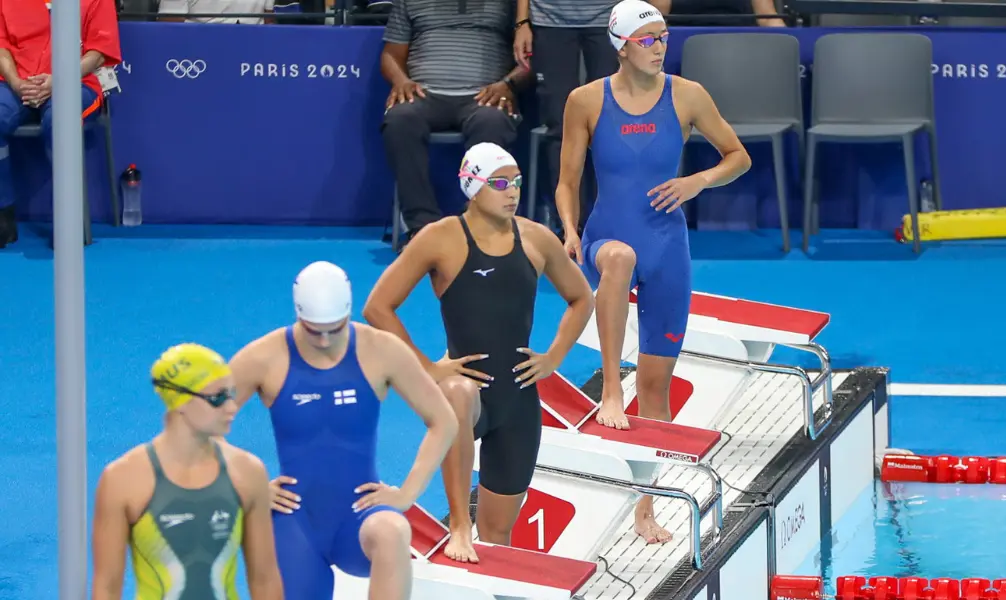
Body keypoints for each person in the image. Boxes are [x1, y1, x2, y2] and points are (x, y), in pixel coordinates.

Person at [555, 0, 751, 544]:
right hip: (606, 237)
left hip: (668, 246)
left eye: (663, 36)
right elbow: (568, 180)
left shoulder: (687, 96)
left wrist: (697, 183)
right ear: (621, 45)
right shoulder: (585, 100)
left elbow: (738, 156)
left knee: (658, 387)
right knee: (617, 259)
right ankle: (611, 390)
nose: (659, 46)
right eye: (647, 39)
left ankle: (646, 507)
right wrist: (570, 231)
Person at [362, 142, 595, 563]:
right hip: (464, 399)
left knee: (499, 535)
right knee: (459, 393)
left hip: (518, 402)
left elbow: (582, 297)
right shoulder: (441, 238)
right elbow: (378, 306)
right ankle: (456, 524)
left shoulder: (536, 239)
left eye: (517, 182)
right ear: (472, 185)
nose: (513, 192)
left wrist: (555, 356)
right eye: (501, 183)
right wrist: (428, 368)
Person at [229, 261, 458, 600]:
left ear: (349, 314)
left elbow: (444, 420)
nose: (323, 340)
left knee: (393, 531)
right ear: (298, 316)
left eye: (334, 330)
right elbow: (198, 427)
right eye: (313, 330)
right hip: (295, 521)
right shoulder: (264, 357)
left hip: (360, 517)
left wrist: (407, 493)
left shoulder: (382, 350)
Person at [90, 343, 284, 600]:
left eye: (231, 394)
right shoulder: (124, 479)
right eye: (217, 398)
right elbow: (107, 586)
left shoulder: (248, 472)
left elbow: (265, 578)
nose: (231, 407)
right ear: (180, 401)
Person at [380, 0, 530, 248]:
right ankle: (422, 229)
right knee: (399, 120)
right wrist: (400, 80)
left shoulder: (509, 5)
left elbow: (529, 58)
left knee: (492, 121)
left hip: (486, 96)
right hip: (423, 95)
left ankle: (477, 226)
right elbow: (390, 55)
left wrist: (508, 84)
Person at [512, 0, 670, 225]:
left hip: (611, 18)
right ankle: (567, 224)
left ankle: (610, 218)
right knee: (559, 125)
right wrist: (522, 22)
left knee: (610, 123)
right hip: (549, 21)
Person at [0, 0, 122, 247]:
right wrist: (16, 82)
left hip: (77, 81)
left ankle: (68, 219)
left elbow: (98, 53)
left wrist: (59, 79)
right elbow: (1, 47)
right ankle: (3, 212)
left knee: (60, 123)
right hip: (17, 81)